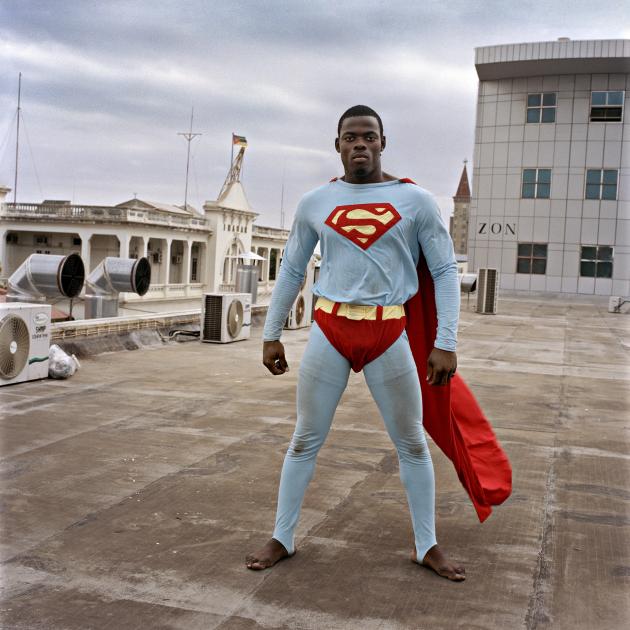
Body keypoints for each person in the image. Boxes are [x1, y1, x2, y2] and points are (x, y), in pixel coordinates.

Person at [245, 105, 465, 581]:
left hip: (389, 330)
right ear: (338, 145)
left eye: (369, 136)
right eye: (350, 137)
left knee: (411, 443)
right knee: (305, 439)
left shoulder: (418, 202)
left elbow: (446, 271)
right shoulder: (314, 203)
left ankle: (426, 544)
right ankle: (283, 536)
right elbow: (291, 269)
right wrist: (270, 333)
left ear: (383, 143)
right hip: (330, 329)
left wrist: (446, 340)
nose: (359, 144)